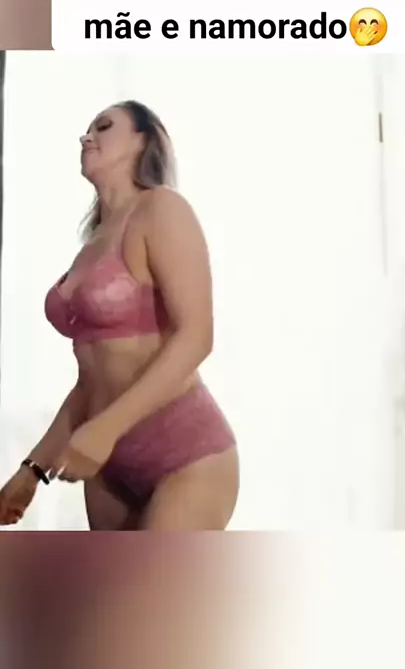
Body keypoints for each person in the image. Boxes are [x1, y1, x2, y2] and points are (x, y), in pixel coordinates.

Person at [0, 100, 239, 530]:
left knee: (156, 578)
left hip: (187, 457)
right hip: (108, 466)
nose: (87, 137)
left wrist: (105, 429)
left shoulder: (161, 209)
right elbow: (90, 383)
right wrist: (31, 470)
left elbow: (197, 336)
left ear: (144, 140)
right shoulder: (92, 245)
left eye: (104, 126)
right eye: (86, 130)